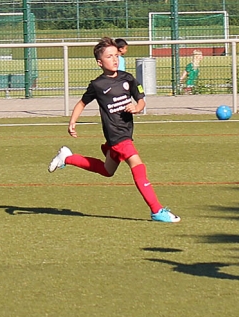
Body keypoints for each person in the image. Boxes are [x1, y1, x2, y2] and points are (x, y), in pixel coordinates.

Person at [48, 37, 180, 223]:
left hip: (125, 133)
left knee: (107, 170)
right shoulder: (97, 85)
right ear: (100, 62)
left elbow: (141, 100)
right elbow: (82, 103)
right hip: (117, 135)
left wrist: (137, 107)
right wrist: (72, 122)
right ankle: (157, 210)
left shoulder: (128, 78)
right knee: (138, 166)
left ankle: (67, 158)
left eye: (116, 55)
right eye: (109, 56)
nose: (115, 59)